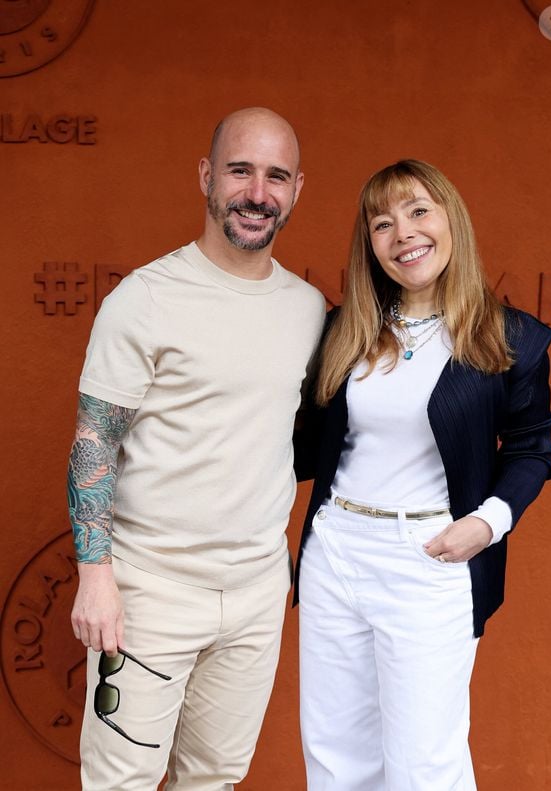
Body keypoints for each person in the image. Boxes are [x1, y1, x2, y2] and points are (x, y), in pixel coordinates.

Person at [67, 107, 326, 790]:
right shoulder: (146, 298)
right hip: (151, 589)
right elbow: (95, 443)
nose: (257, 193)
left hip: (257, 592)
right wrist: (96, 577)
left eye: (276, 176)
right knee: (121, 780)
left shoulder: (307, 309)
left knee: (214, 778)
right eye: (241, 171)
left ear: (297, 189)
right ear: (207, 176)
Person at [293, 159, 551, 791]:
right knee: (335, 759)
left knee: (423, 766)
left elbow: (532, 448)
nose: (403, 233)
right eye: (382, 223)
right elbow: (298, 445)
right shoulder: (344, 331)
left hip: (430, 556)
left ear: (450, 221)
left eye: (418, 211)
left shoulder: (507, 336)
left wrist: (485, 525)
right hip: (336, 552)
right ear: (369, 244)